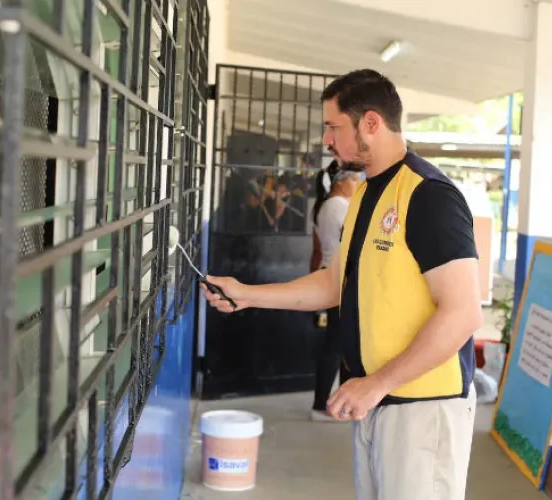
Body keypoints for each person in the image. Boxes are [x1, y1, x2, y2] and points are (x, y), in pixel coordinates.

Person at [201, 68, 482, 500]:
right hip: (374, 399)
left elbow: (463, 313)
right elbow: (335, 284)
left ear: (371, 123)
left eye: (334, 127)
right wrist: (247, 295)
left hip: (422, 409)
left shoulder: (429, 196)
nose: (326, 140)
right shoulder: (366, 194)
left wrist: (378, 383)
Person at [310, 162, 361, 422]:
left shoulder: (323, 207)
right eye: (355, 180)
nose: (358, 184)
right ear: (342, 181)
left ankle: (336, 403)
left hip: (330, 273)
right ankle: (324, 405)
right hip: (340, 277)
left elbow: (317, 249)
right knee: (337, 344)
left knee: (338, 342)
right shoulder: (340, 207)